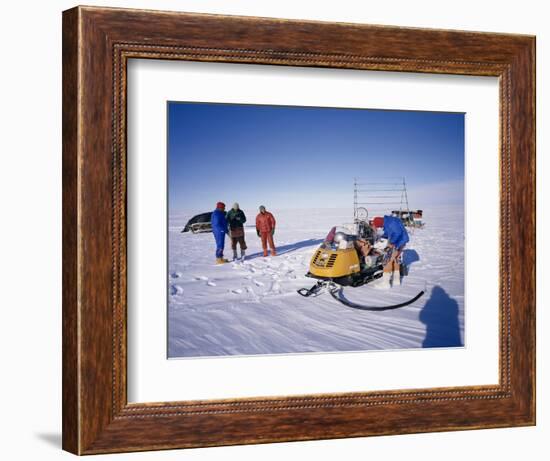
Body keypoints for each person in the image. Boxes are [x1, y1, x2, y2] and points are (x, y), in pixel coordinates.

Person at [378, 214, 409, 288]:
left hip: (398, 241)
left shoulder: (391, 223)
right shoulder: (388, 221)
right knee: (395, 260)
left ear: (381, 223)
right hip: (401, 241)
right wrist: (382, 237)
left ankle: (385, 284)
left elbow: (397, 233)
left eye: (379, 226)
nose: (380, 228)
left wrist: (391, 243)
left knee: (387, 260)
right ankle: (396, 281)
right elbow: (388, 232)